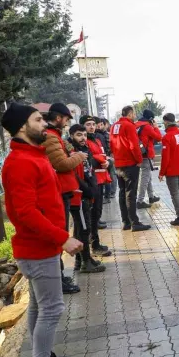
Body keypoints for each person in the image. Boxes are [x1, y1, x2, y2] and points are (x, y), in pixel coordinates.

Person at [0, 103, 82, 357]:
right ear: (23, 127)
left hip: (41, 248)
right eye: (38, 120)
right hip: (38, 250)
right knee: (52, 309)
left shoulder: (34, 155)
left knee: (39, 308)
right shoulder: (21, 162)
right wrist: (63, 238)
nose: (45, 124)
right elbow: (26, 213)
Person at [41, 103, 87, 295]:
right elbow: (61, 163)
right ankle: (57, 280)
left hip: (62, 190)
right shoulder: (51, 137)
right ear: (59, 118)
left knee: (61, 230)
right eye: (67, 120)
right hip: (58, 191)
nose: (67, 124)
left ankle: (58, 277)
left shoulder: (56, 137)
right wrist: (79, 157)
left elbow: (65, 151)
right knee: (58, 234)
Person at [67, 124, 106, 274]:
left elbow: (89, 171)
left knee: (80, 228)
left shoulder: (85, 150)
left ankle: (81, 259)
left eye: (84, 135)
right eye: (78, 135)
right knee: (83, 228)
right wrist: (88, 190)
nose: (83, 138)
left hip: (87, 194)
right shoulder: (72, 153)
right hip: (80, 196)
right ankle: (85, 261)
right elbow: (75, 176)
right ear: (71, 136)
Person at [110, 106, 152, 232]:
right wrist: (139, 160)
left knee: (122, 192)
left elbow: (111, 144)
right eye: (134, 113)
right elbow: (134, 146)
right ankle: (135, 222)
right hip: (130, 164)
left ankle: (125, 221)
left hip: (118, 164)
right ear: (130, 114)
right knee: (131, 194)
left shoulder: (114, 126)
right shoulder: (129, 126)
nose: (135, 116)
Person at [81, 116, 112, 256]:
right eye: (88, 124)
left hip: (100, 180)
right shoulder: (84, 142)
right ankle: (93, 245)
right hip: (91, 183)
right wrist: (101, 162)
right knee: (92, 215)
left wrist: (108, 163)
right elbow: (88, 160)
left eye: (93, 124)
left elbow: (103, 155)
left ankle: (94, 242)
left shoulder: (97, 139)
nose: (92, 127)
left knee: (97, 213)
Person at [158, 113, 179, 226]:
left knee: (175, 193)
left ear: (166, 122)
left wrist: (162, 173)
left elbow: (165, 157)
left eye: (163, 122)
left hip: (172, 171)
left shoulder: (167, 137)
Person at [136, 109, 162, 209]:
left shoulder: (136, 124)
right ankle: (140, 200)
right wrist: (155, 127)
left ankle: (151, 196)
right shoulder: (147, 127)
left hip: (139, 154)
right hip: (146, 155)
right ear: (151, 119)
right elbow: (159, 138)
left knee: (148, 176)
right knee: (145, 178)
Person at [95, 118, 115, 203]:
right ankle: (108, 195)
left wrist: (108, 156)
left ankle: (108, 195)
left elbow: (108, 146)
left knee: (108, 177)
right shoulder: (101, 134)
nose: (99, 126)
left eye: (100, 124)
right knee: (107, 176)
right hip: (106, 157)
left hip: (106, 157)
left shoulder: (101, 135)